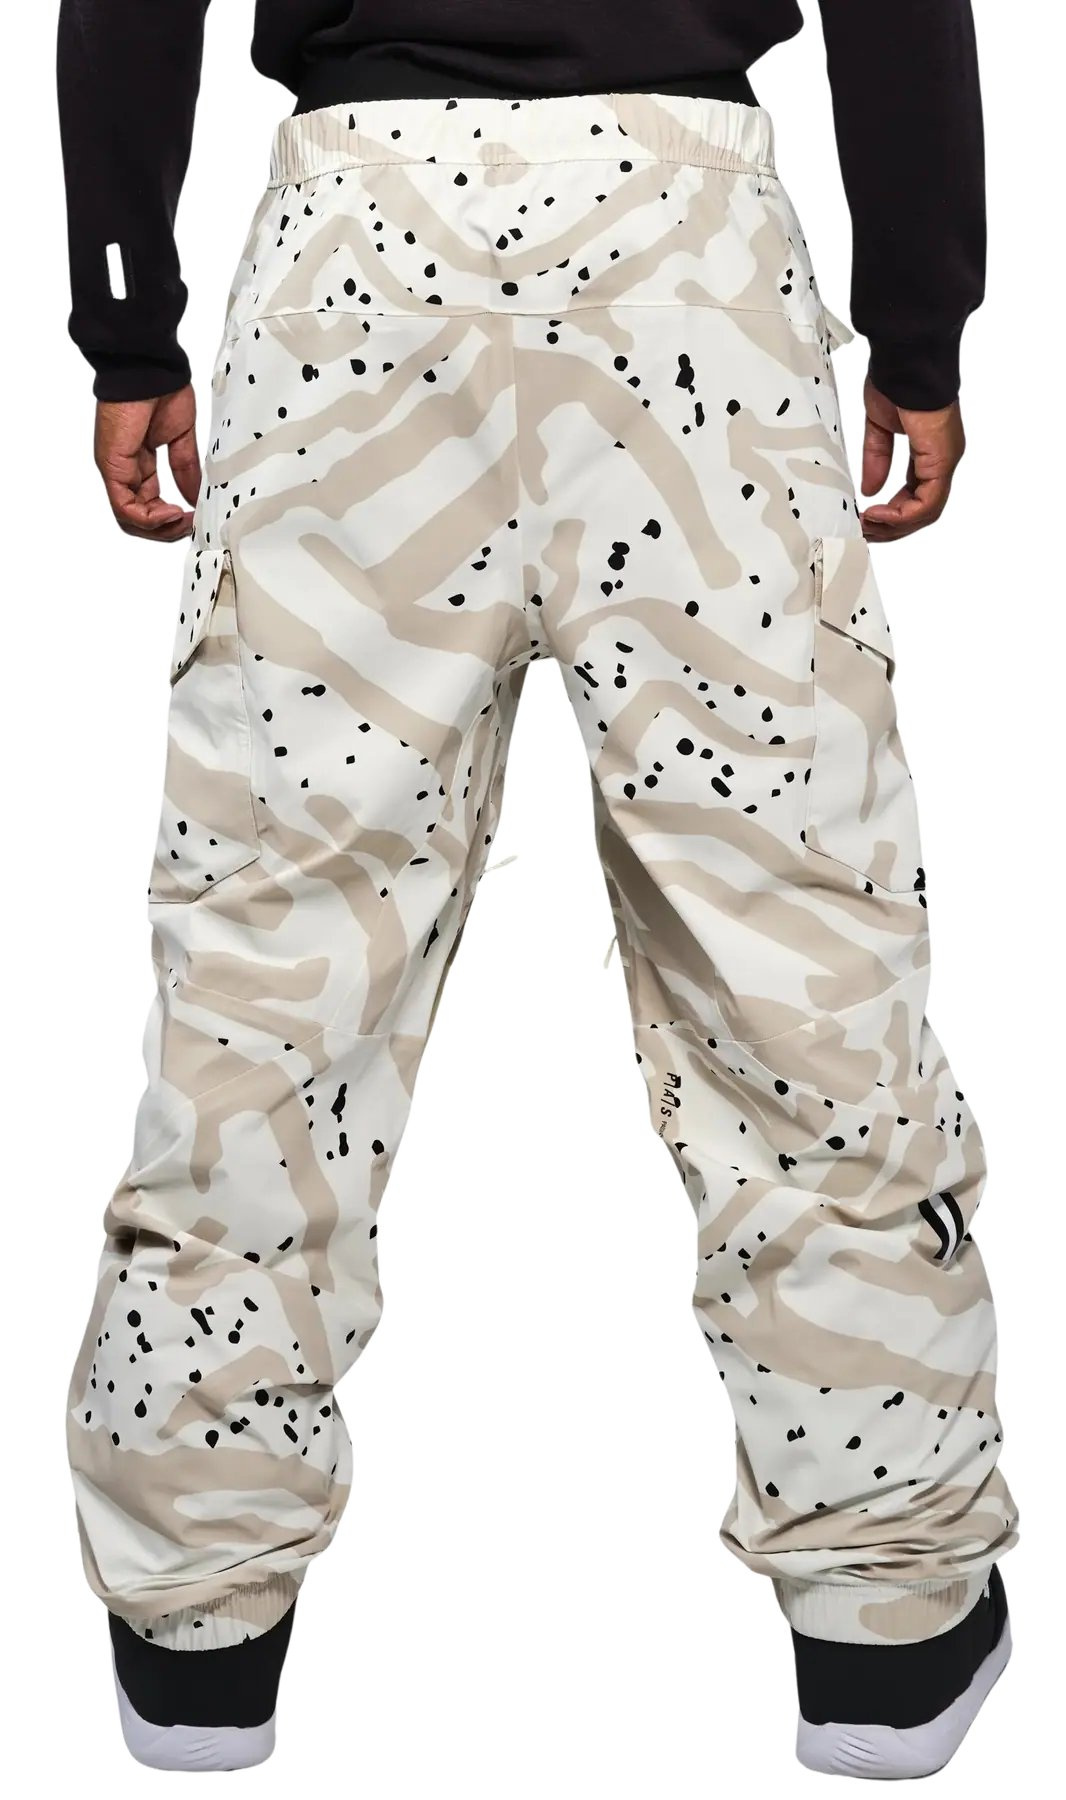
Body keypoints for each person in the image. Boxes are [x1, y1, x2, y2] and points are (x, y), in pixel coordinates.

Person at [57, 0, 1017, 1779]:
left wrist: (126, 318)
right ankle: (884, 1628)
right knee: (791, 938)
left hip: (355, 252)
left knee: (276, 953)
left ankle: (196, 1630)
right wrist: (919, 325)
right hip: (687, 254)